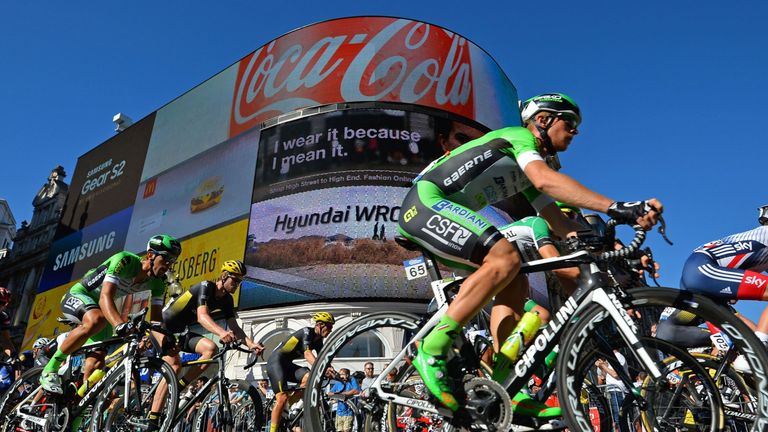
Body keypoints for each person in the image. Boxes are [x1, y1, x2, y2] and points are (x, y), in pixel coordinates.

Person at [397, 92, 663, 413]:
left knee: (516, 282)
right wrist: (617, 206)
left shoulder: (525, 174)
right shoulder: (519, 138)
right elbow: (546, 180)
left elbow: (560, 223)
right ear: (543, 120)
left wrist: (617, 253)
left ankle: (506, 386)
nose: (575, 131)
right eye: (569, 122)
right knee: (505, 257)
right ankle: (433, 347)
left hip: (442, 208)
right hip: (425, 203)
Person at [39, 234, 181, 394]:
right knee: (97, 319)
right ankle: (50, 369)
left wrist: (166, 343)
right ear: (150, 255)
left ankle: (77, 404)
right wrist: (119, 325)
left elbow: (156, 321)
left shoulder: (159, 283)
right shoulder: (125, 260)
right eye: (166, 258)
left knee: (98, 363)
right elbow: (105, 296)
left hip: (100, 308)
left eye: (172, 261)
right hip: (79, 295)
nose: (168, 265)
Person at [149, 259, 264, 431]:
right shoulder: (206, 287)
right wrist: (221, 333)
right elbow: (202, 317)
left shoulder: (227, 300)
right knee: (174, 366)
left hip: (181, 332)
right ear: (224, 276)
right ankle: (152, 421)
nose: (237, 285)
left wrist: (252, 344)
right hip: (162, 327)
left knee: (211, 349)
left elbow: (235, 328)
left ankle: (180, 386)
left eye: (240, 281)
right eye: (235, 280)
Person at [676, 204, 768, 350]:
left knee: (735, 342)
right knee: (758, 344)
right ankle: (761, 347)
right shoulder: (765, 234)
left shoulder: (759, 240)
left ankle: (752, 355)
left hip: (697, 272)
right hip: (703, 269)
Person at [267, 312, 335, 432]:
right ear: (319, 325)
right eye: (329, 326)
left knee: (309, 379)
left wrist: (331, 370)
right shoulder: (306, 332)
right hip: (275, 362)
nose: (331, 330)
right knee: (282, 398)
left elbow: (322, 359)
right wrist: (322, 368)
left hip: (287, 365)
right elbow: (307, 354)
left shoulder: (318, 341)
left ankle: (289, 405)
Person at [328, 368, 360, 432]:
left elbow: (356, 391)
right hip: (339, 413)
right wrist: (337, 394)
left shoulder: (351, 381)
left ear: (347, 375)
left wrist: (343, 394)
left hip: (348, 413)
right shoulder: (338, 383)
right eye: (340, 374)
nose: (340, 376)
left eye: (342, 374)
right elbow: (329, 394)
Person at [0, 287, 16, 358]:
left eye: (2, 303)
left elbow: (5, 340)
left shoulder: (4, 317)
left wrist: (14, 356)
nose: (0, 305)